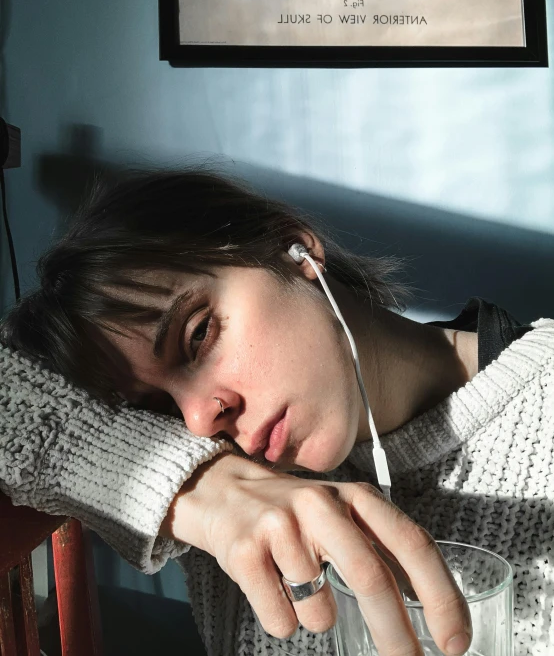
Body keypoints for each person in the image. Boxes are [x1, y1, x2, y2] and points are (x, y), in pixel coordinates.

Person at [1, 168, 553, 656]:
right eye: (157, 409)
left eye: (197, 336)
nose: (198, 422)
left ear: (296, 251)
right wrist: (189, 483)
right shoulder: (219, 492)